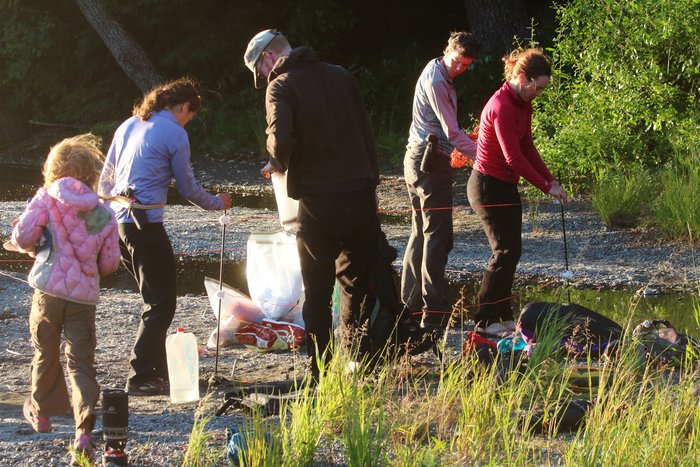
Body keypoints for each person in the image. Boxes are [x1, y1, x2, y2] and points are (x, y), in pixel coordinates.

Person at [243, 29, 381, 378]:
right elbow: (366, 131)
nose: (264, 78)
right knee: (356, 282)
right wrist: (372, 181)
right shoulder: (341, 74)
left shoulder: (281, 85)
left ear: (268, 58)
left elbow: (280, 136)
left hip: (319, 199)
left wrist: (275, 163)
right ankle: (360, 361)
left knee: (316, 288)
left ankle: (320, 368)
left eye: (260, 71)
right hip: (360, 191)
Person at [99, 77, 231, 396]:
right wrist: (218, 203)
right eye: (190, 115)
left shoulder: (129, 124)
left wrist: (104, 218)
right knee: (161, 302)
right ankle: (140, 376)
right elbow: (187, 188)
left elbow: (105, 179)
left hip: (120, 222)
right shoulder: (174, 132)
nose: (188, 121)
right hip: (145, 223)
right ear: (184, 106)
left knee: (155, 299)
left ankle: (158, 372)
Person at [5, 134, 120, 464]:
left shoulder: (46, 198)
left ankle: (41, 413)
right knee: (81, 363)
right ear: (90, 172)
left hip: (48, 292)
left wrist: (34, 245)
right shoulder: (101, 212)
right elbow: (109, 263)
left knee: (44, 350)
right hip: (83, 298)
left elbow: (22, 236)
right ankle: (83, 431)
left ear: (53, 168)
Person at [467, 48, 566, 337]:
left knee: (513, 250)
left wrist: (551, 180)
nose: (539, 93)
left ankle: (503, 315)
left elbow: (528, 147)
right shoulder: (502, 105)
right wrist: (545, 187)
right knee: (503, 250)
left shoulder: (524, 103)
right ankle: (485, 320)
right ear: (522, 78)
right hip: (487, 184)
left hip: (505, 184)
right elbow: (513, 157)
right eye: (538, 87)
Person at [401, 31, 480, 328]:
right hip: (429, 159)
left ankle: (409, 307)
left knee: (421, 233)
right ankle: (433, 310)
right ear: (447, 50)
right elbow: (451, 132)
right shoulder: (436, 79)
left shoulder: (438, 72)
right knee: (437, 236)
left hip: (416, 158)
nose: (460, 68)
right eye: (457, 61)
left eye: (466, 65)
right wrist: (483, 155)